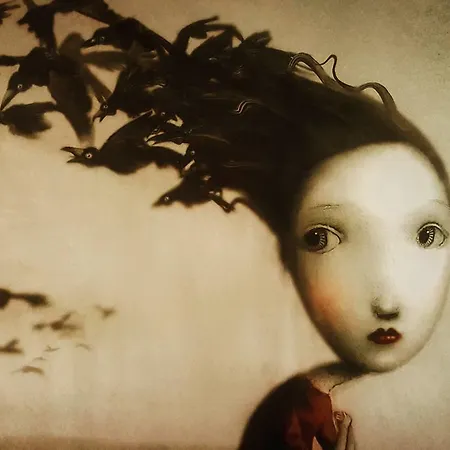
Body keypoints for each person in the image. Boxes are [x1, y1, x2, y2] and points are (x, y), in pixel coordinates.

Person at [64, 18, 450, 450]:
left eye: (427, 234)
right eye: (321, 238)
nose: (387, 301)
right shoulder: (292, 405)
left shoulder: (310, 399)